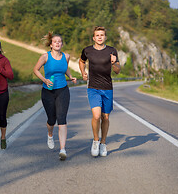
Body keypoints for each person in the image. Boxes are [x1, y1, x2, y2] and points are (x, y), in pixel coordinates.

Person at [33, 32, 77, 160]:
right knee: (51, 119)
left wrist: (70, 76)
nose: (57, 43)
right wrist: (44, 80)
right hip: (48, 91)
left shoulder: (66, 56)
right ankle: (50, 134)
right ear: (51, 44)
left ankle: (63, 149)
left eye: (60, 41)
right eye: (55, 41)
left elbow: (65, 68)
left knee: (61, 118)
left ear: (62, 44)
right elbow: (36, 69)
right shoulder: (45, 57)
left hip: (62, 90)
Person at [79, 26, 120, 157]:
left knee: (105, 117)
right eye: (97, 35)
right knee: (96, 116)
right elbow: (81, 61)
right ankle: (96, 141)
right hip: (93, 88)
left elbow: (117, 70)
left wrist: (114, 63)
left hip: (107, 88)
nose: (100, 37)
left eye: (102, 35)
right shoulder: (87, 50)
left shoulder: (112, 51)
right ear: (93, 38)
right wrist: (83, 72)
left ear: (105, 37)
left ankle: (103, 143)